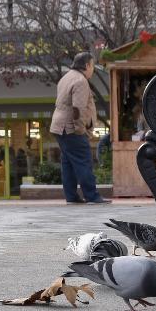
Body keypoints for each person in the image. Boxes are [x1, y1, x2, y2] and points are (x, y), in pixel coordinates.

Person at [50, 52, 110, 204]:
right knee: (84, 161)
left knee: (68, 162)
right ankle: (92, 196)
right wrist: (79, 129)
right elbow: (78, 108)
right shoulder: (80, 81)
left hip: (59, 126)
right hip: (70, 127)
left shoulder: (66, 77)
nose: (93, 70)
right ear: (87, 65)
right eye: (93, 66)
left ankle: (71, 196)